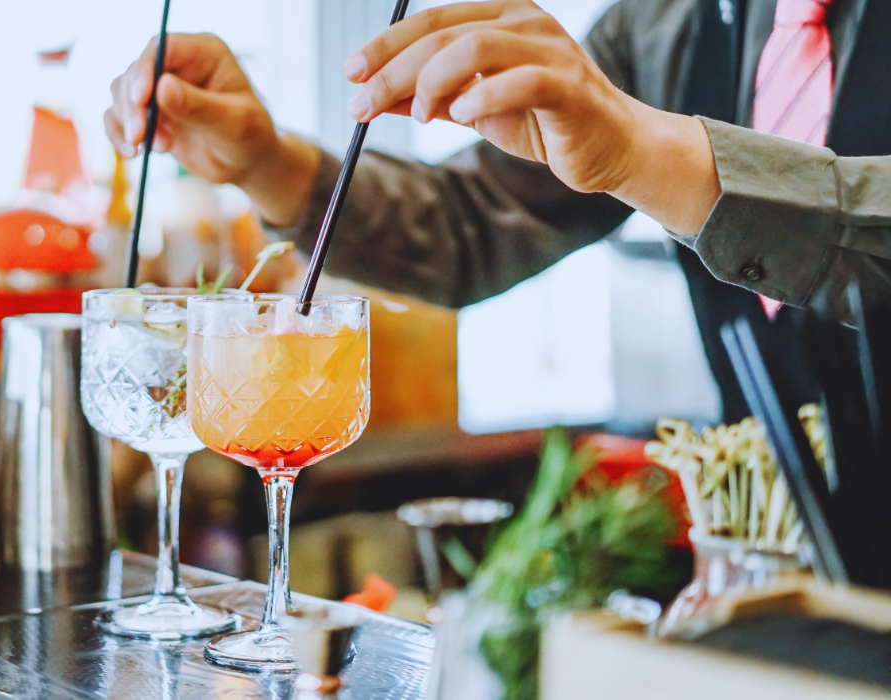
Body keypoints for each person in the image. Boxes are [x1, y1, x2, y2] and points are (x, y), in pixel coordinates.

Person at [105, 0, 891, 420]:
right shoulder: (667, 24)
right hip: (798, 574)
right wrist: (262, 161)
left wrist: (646, 154)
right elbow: (472, 223)